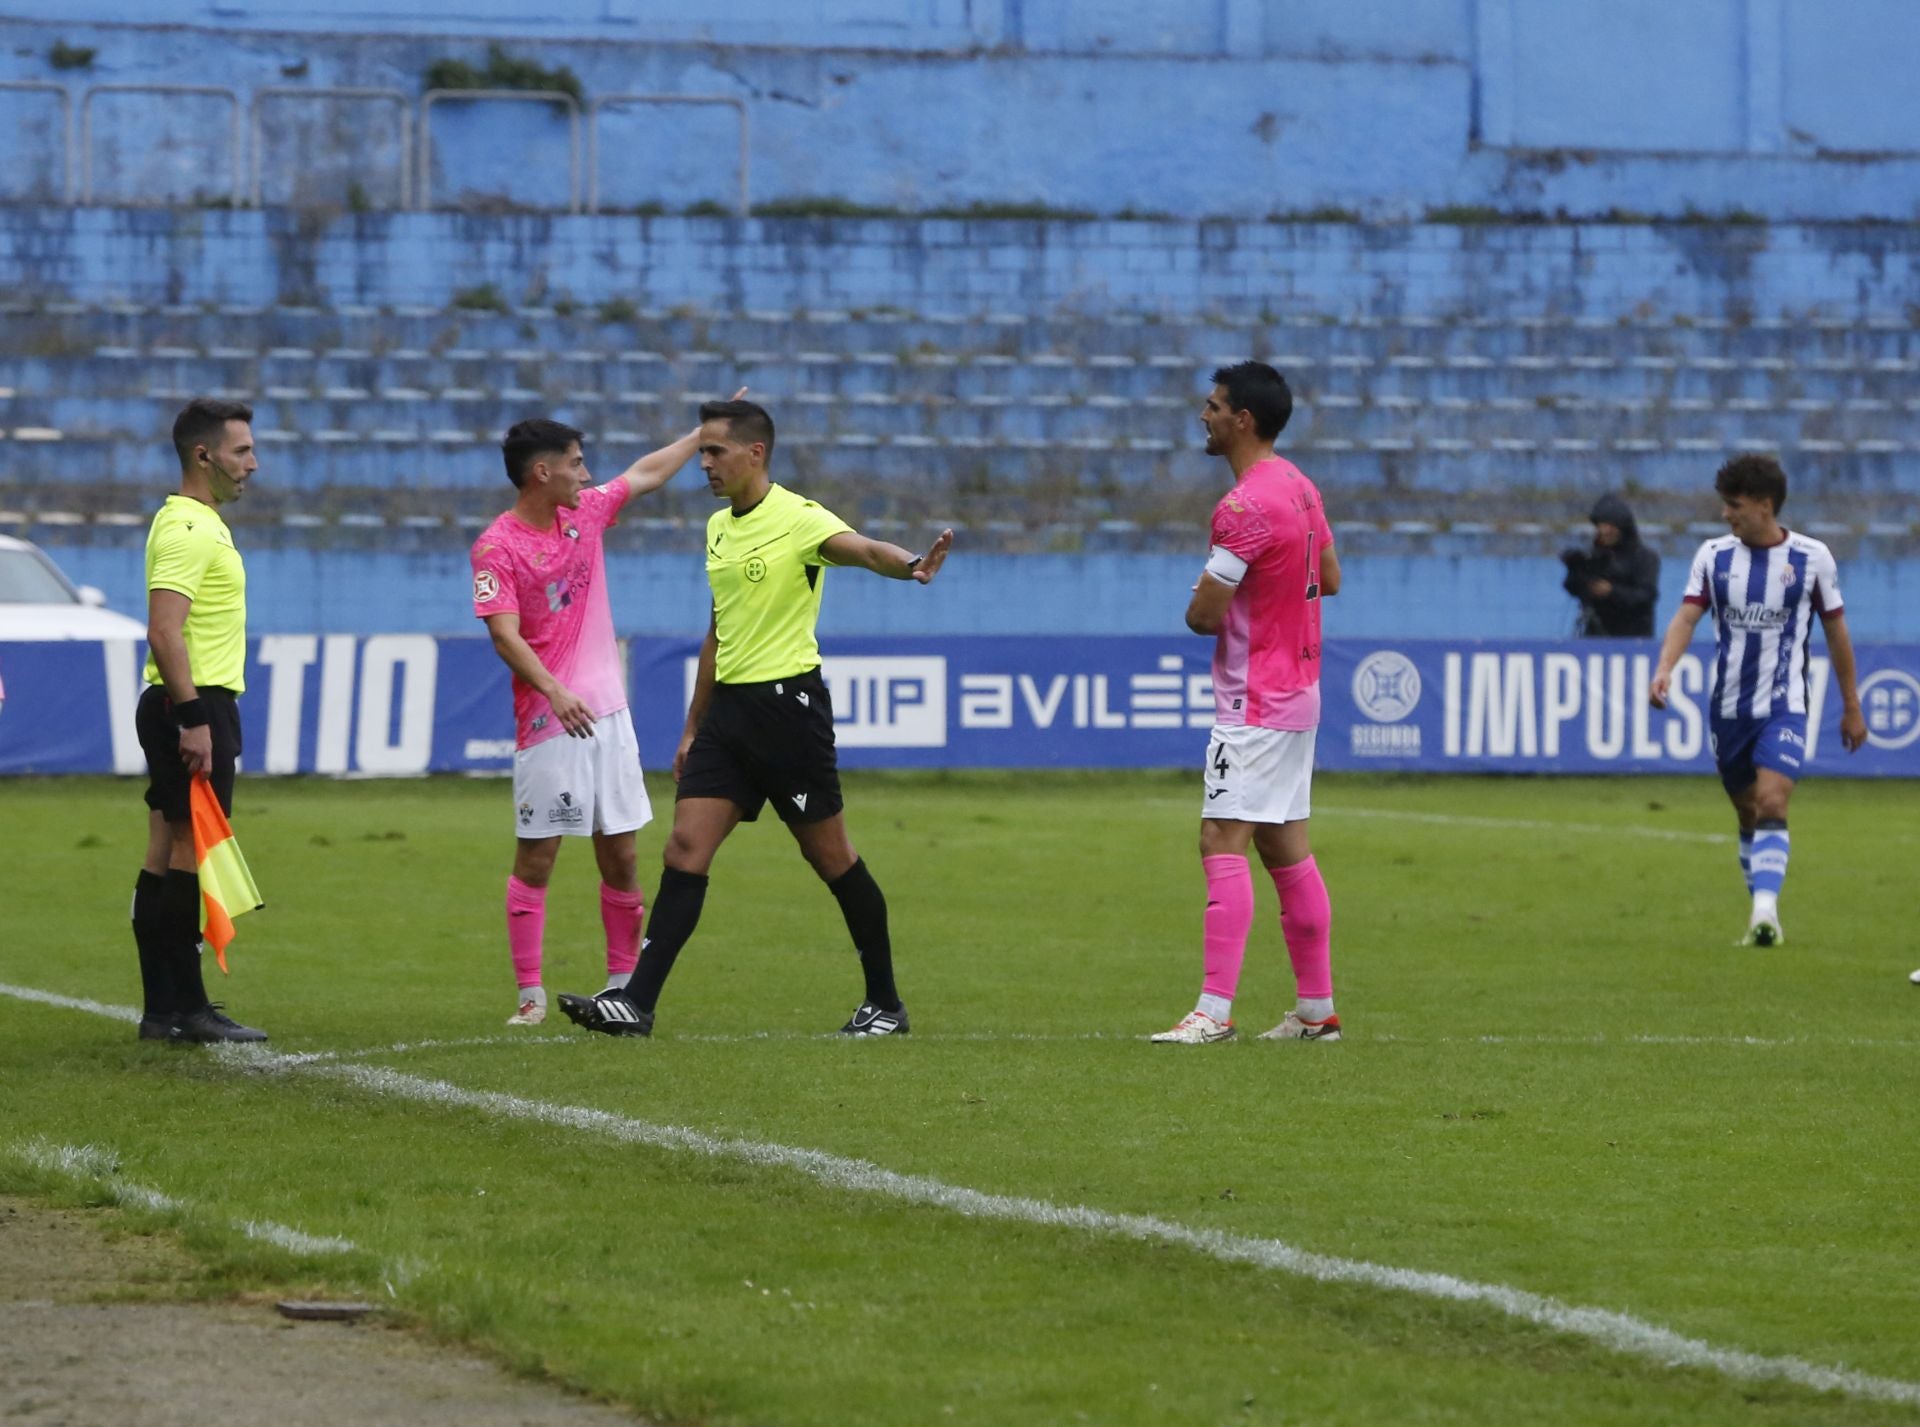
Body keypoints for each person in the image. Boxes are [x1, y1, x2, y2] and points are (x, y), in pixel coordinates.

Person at [557, 398, 953, 1038]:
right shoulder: (718, 528)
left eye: (714, 451)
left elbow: (861, 548)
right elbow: (719, 630)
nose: (704, 463)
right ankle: (637, 1004)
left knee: (832, 859)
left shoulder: (797, 518)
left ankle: (885, 1003)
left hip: (787, 712)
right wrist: (693, 726)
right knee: (685, 847)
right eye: (703, 451)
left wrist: (911, 566)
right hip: (729, 716)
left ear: (754, 453)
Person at [471, 413, 718, 1026]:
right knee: (538, 856)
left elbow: (644, 475)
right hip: (549, 721)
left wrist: (699, 434)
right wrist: (554, 691)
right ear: (542, 471)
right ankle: (529, 995)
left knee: (623, 856)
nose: (586, 473)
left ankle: (621, 985)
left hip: (609, 717)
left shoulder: (584, 513)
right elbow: (504, 635)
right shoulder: (496, 546)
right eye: (577, 462)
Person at [1151, 362, 1343, 1045]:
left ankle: (1212, 1011)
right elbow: (1330, 577)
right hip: (1299, 693)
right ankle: (1316, 1011)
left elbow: (1205, 616)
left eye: (1214, 405)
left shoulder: (1242, 506)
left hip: (1254, 699)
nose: (1203, 415)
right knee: (1286, 846)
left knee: (1219, 837)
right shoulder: (1298, 485)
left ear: (1244, 420)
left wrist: (1211, 592)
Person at [1649, 454, 1867, 946]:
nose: (1726, 514)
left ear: (1765, 506)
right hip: (1728, 709)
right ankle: (1761, 914)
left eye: (1735, 505)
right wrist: (1665, 668)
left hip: (1784, 704)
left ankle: (1765, 913)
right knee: (1747, 812)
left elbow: (1836, 633)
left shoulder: (1813, 558)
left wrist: (1851, 704)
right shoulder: (1713, 556)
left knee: (1772, 800)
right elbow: (1687, 617)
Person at [130, 398, 267, 1044]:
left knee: (165, 848)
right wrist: (192, 718)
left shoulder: (192, 522)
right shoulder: (188, 528)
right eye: (242, 452)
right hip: (192, 705)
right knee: (189, 850)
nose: (252, 464)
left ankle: (162, 1010)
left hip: (179, 704)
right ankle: (189, 1006)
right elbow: (165, 629)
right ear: (203, 454)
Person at [1560, 492, 1660, 637]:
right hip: (1595, 635)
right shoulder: (1595, 556)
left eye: (1610, 527)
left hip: (1633, 636)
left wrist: (1611, 591)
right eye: (1600, 527)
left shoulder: (1645, 557)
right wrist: (1576, 569)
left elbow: (1646, 595)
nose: (1604, 532)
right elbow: (1573, 587)